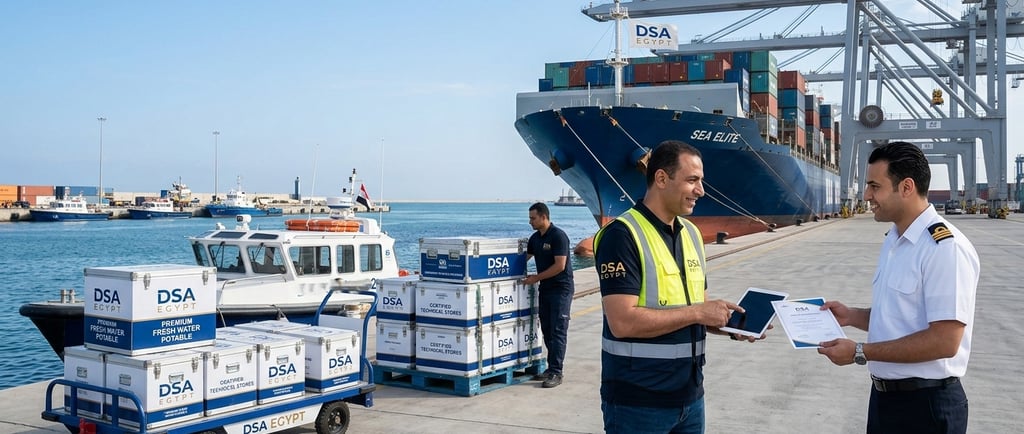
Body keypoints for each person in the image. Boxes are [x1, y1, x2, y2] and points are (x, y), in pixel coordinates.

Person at [594, 140, 755, 434]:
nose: (701, 191)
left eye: (701, 181)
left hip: (690, 398)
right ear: (661, 178)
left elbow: (696, 310)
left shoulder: (691, 234)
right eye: (692, 180)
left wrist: (733, 326)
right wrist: (699, 313)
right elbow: (622, 322)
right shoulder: (622, 235)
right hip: (638, 404)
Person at [817, 141, 979, 433]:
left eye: (874, 187)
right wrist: (852, 316)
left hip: (926, 407)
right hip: (885, 401)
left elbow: (945, 340)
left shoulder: (944, 248)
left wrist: (859, 351)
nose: (867, 196)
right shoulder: (895, 241)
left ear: (906, 187)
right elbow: (901, 317)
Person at [524, 201, 575, 388]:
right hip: (545, 288)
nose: (530, 222)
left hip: (561, 289)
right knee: (546, 329)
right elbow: (523, 258)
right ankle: (550, 367)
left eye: (533, 218)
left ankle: (556, 372)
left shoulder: (558, 236)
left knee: (558, 330)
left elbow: (560, 266)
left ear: (543, 217)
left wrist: (535, 278)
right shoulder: (535, 239)